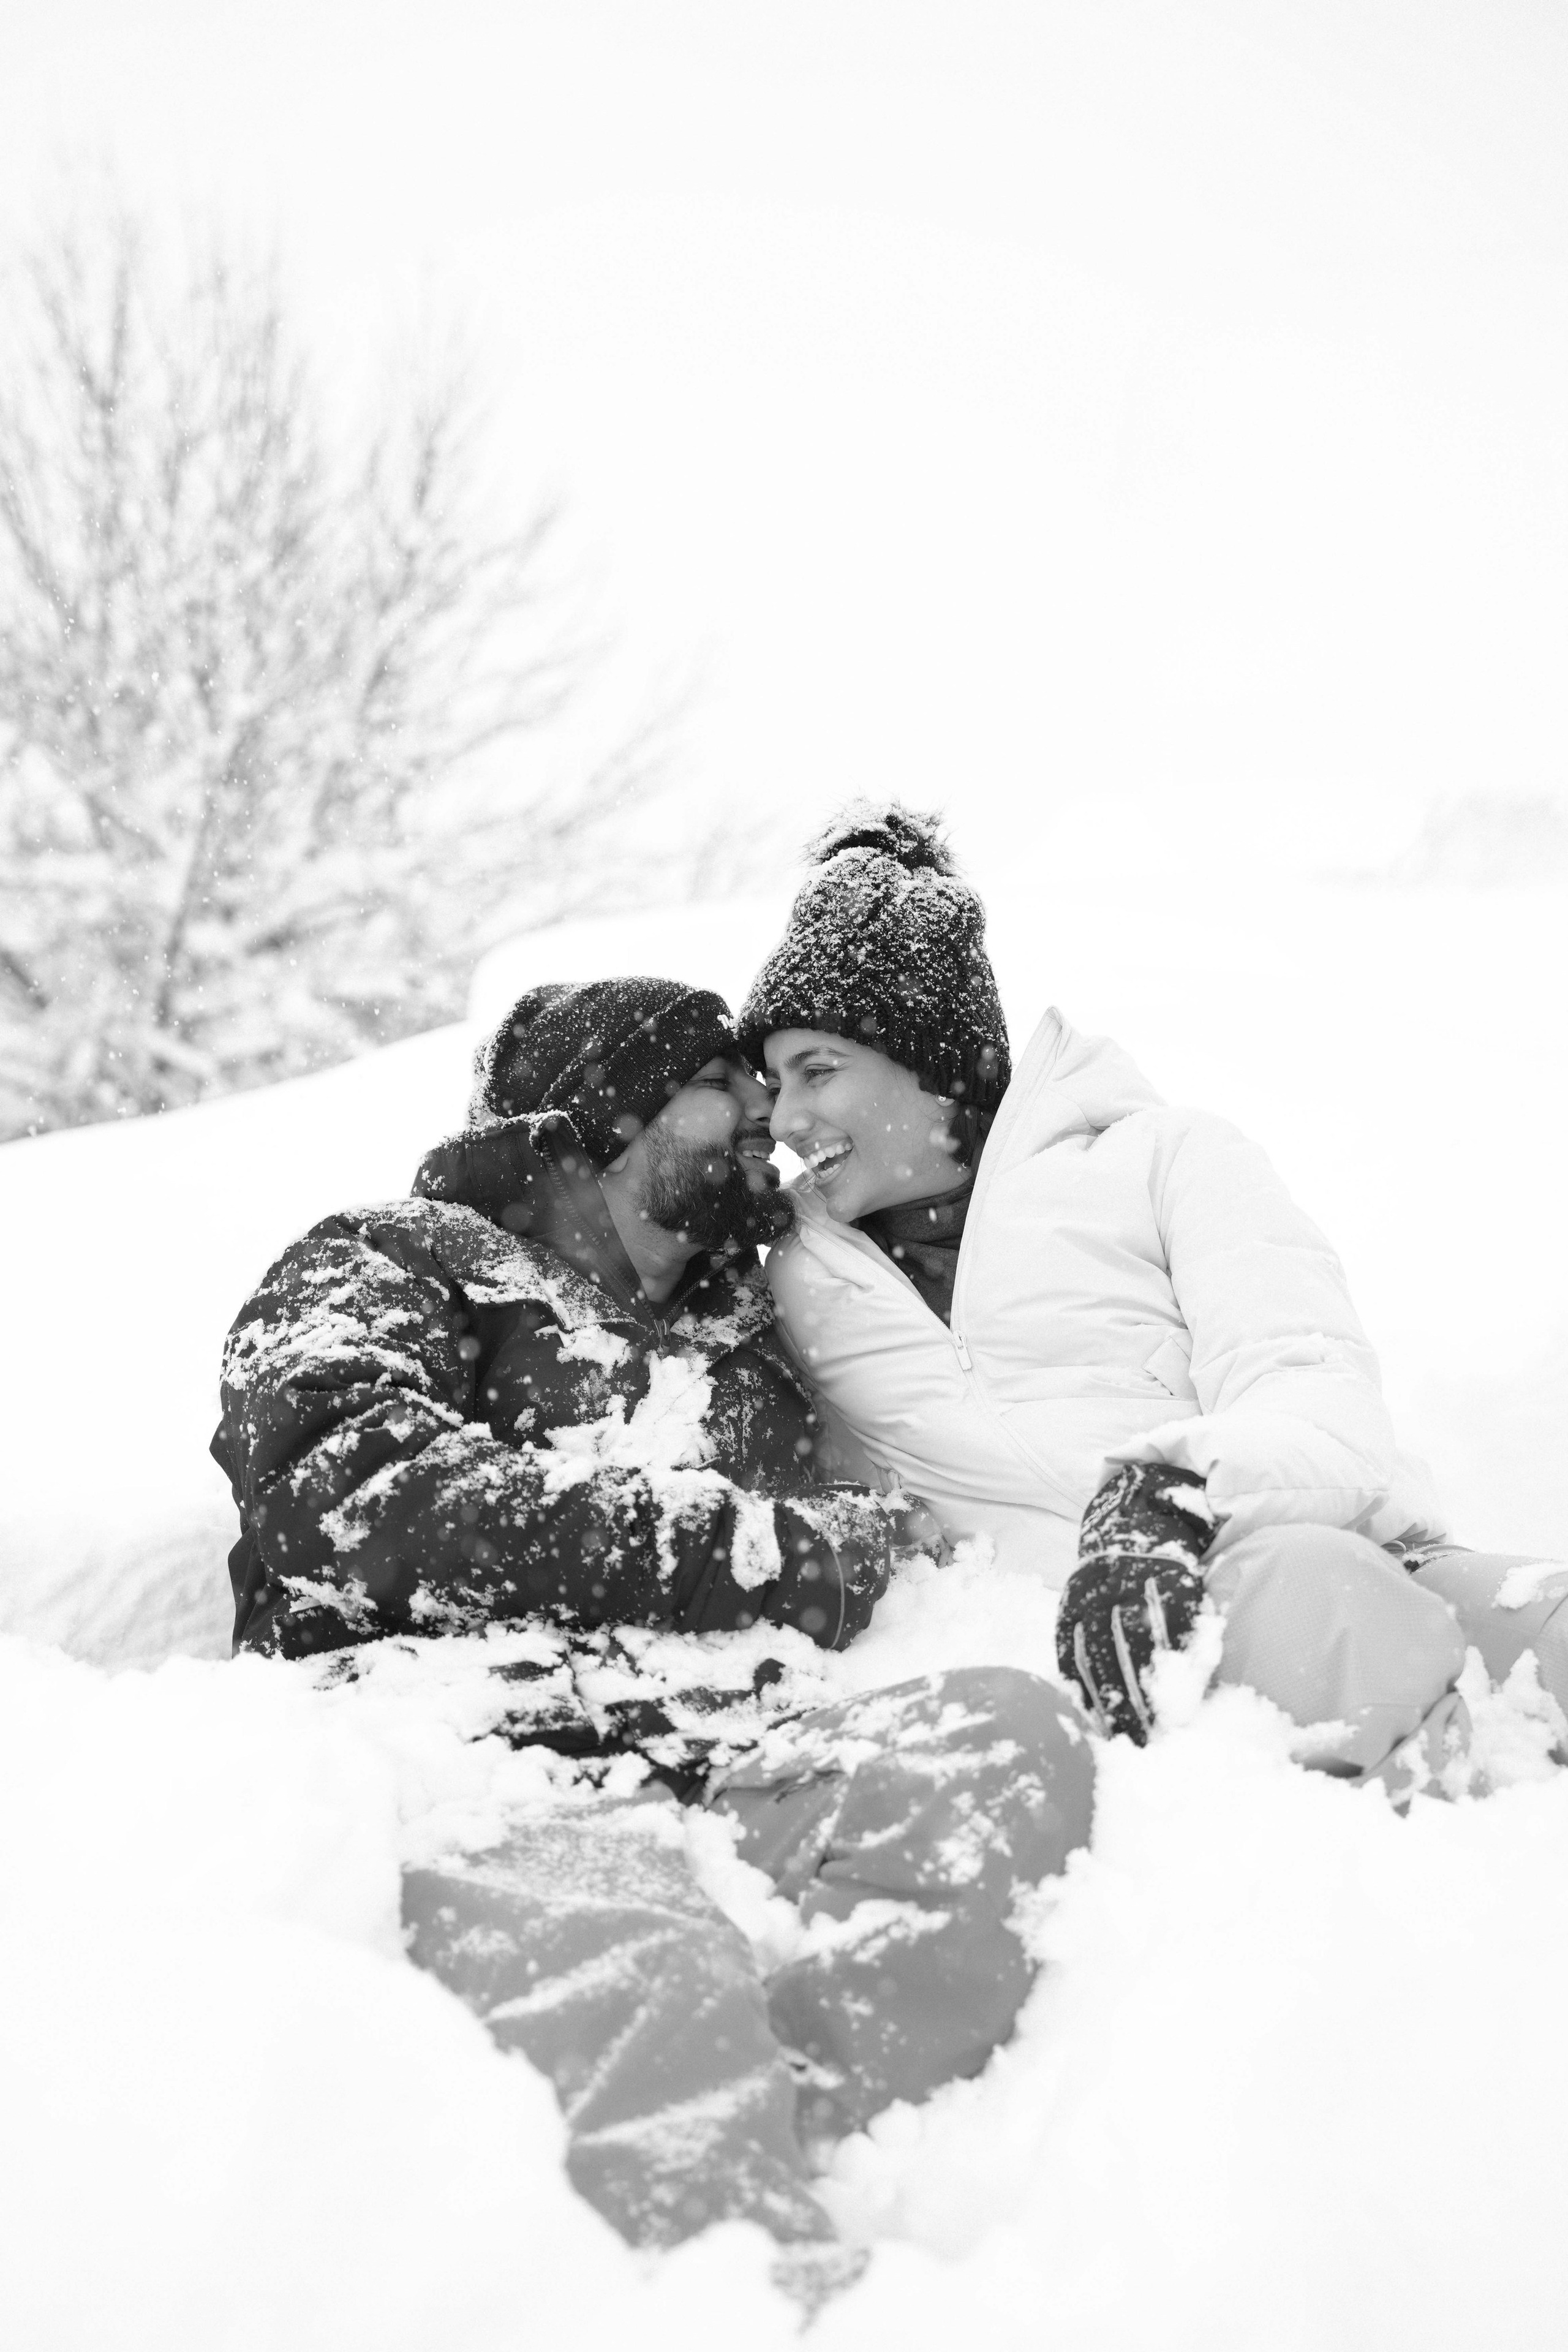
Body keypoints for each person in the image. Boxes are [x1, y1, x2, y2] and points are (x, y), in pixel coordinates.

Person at [213, 975, 1095, 2256]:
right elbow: (355, 1501)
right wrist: (758, 1551)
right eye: (716, 1082)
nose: (759, 1110)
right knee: (647, 1964)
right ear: (602, 1110)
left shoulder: (746, 1338)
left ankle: (809, 2119)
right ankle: (728, 2274)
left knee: (1001, 1747)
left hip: (727, 1754)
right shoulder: (389, 1260)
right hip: (476, 1761)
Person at [737, 807, 1568, 1796]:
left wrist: (1166, 1496)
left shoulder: (1166, 1159)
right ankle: (1444, 1891)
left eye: (817, 1072)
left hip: (1357, 1551)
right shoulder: (785, 1269)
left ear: (933, 1062)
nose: (787, 1120)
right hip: (1151, 1639)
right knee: (1330, 1606)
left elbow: (1317, 1391)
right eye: (773, 1084)